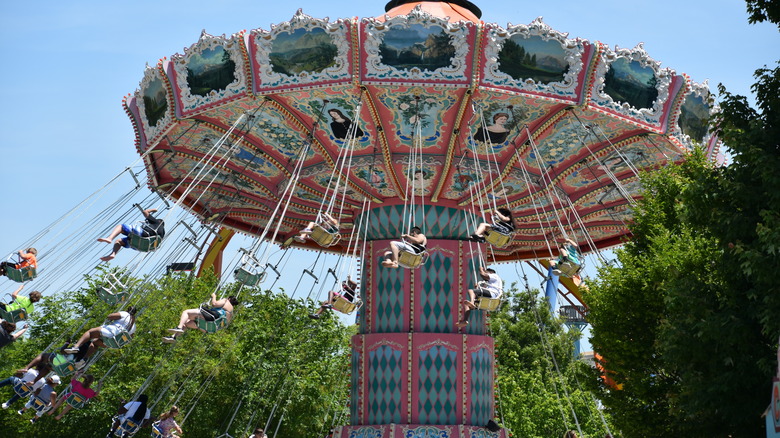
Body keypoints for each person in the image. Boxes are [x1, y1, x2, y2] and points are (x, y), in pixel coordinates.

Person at [163, 293, 238, 343]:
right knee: (186, 323)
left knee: (186, 312)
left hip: (211, 318)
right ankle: (174, 337)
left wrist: (214, 296)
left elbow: (215, 303)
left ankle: (179, 327)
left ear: (229, 299)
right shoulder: (231, 313)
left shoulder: (226, 301)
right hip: (209, 327)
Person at [64, 307, 137, 359]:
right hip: (114, 344)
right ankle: (84, 359)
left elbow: (110, 316)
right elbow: (130, 337)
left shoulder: (125, 314)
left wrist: (112, 316)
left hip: (112, 333)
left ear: (127, 310)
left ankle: (76, 347)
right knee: (95, 342)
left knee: (90, 332)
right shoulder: (134, 326)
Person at [99, 208, 165, 261]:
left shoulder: (157, 222)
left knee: (121, 226)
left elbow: (145, 212)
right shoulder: (163, 233)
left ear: (159, 221)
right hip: (143, 247)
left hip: (143, 235)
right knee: (119, 241)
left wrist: (153, 210)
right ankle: (112, 254)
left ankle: (110, 238)